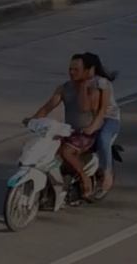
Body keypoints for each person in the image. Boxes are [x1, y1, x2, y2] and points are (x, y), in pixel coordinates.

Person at [24, 54, 101, 201]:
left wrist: (83, 86)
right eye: (70, 69)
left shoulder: (93, 90)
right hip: (69, 131)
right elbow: (47, 108)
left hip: (86, 133)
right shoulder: (63, 88)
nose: (72, 72)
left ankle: (85, 179)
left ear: (86, 71)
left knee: (65, 151)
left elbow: (85, 108)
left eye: (76, 70)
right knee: (44, 148)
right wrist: (33, 120)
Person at [81, 52, 121, 200]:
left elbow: (100, 110)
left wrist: (92, 126)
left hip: (109, 120)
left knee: (103, 139)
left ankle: (107, 173)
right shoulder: (78, 82)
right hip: (88, 120)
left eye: (83, 68)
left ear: (91, 68)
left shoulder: (101, 83)